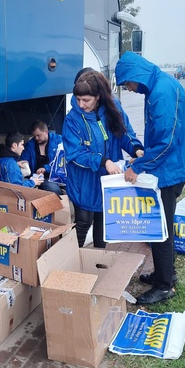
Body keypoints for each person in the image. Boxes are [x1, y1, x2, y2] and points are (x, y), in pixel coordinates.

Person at [115, 51, 185, 305]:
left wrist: (138, 166)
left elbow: (165, 143)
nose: (129, 89)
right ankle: (167, 273)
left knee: (159, 228)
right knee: (161, 223)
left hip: (170, 168)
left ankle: (164, 286)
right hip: (171, 165)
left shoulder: (161, 91)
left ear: (135, 75)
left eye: (127, 83)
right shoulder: (157, 85)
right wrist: (142, 155)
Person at [62, 69, 144, 248]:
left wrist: (136, 149)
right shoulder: (72, 120)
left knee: (103, 219)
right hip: (84, 179)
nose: (81, 104)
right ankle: (71, 262)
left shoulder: (113, 107)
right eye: (78, 99)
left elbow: (125, 133)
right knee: (83, 220)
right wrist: (103, 161)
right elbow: (74, 153)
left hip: (108, 177)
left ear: (98, 96)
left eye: (86, 100)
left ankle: (98, 260)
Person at [20, 120, 63, 194]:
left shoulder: (58, 140)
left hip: (57, 174)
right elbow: (24, 159)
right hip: (39, 177)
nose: (36, 138)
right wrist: (25, 164)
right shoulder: (30, 145)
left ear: (46, 132)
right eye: (34, 136)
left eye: (38, 135)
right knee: (54, 189)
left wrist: (46, 168)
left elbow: (62, 160)